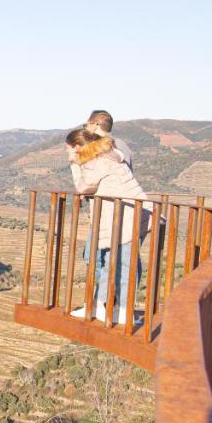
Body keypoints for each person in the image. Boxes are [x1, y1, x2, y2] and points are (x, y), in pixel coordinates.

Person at [65, 127, 150, 324]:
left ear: (77, 147)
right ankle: (100, 305)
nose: (67, 153)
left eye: (68, 149)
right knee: (109, 262)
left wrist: (74, 164)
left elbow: (82, 187)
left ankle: (118, 310)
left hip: (123, 218)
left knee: (122, 264)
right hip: (122, 216)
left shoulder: (96, 162)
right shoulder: (105, 157)